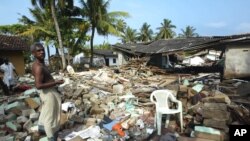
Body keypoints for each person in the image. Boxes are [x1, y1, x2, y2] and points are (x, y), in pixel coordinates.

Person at [30, 42, 64, 141]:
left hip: (50, 91)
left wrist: (55, 83)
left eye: (42, 50)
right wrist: (56, 82)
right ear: (33, 53)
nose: (42, 52)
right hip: (47, 93)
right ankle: (51, 137)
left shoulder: (41, 64)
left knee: (46, 113)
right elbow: (38, 85)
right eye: (38, 51)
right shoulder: (38, 67)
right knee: (50, 117)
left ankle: (41, 128)